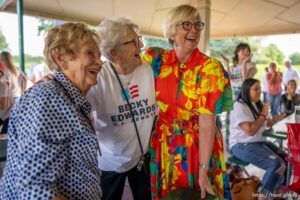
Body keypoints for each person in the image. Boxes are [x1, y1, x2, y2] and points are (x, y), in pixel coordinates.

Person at [0, 22, 103, 200]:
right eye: (89, 53)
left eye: (99, 55)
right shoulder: (48, 98)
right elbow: (37, 189)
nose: (99, 61)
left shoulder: (67, 97)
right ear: (60, 58)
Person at [142, 5, 232, 199]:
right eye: (187, 24)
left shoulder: (210, 68)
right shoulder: (155, 60)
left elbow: (208, 120)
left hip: (198, 145)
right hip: (164, 143)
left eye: (198, 25)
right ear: (172, 32)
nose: (194, 30)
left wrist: (203, 168)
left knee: (197, 193)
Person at [87, 18, 155, 200]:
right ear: (114, 53)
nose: (141, 45)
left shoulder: (149, 70)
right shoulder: (97, 78)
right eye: (133, 42)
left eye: (139, 39)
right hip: (110, 162)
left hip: (142, 158)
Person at [229, 78, 287, 197]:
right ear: (246, 90)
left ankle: (277, 191)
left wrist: (277, 118)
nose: (260, 91)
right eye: (256, 89)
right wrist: (263, 113)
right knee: (277, 164)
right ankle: (263, 195)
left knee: (286, 159)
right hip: (241, 145)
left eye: (260, 88)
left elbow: (267, 123)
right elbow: (250, 130)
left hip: (259, 142)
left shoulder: (255, 104)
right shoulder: (239, 106)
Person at [0, 51, 28, 133]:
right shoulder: (16, 68)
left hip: (8, 96)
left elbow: (6, 84)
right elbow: (25, 79)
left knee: (5, 115)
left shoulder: (4, 70)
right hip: (17, 96)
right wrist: (23, 91)